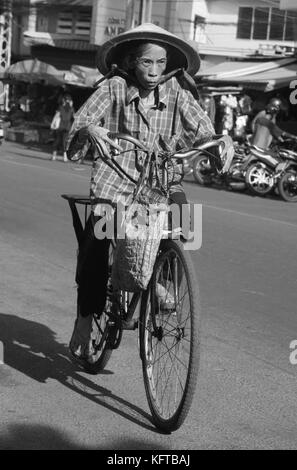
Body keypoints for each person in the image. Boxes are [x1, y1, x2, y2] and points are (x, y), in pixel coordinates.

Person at [66, 23, 215, 362]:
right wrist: (91, 129)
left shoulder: (177, 91)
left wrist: (220, 142)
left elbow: (204, 128)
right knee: (98, 239)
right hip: (115, 180)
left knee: (184, 225)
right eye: (147, 63)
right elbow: (79, 126)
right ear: (132, 61)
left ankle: (163, 287)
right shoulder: (114, 88)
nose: (154, 71)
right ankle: (86, 317)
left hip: (160, 181)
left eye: (160, 63)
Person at [52, 94, 74, 162]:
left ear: (64, 100)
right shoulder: (71, 109)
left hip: (60, 126)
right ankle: (65, 157)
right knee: (65, 142)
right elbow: (74, 118)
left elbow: (56, 116)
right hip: (67, 127)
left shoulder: (60, 107)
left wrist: (53, 124)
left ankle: (54, 156)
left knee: (57, 140)